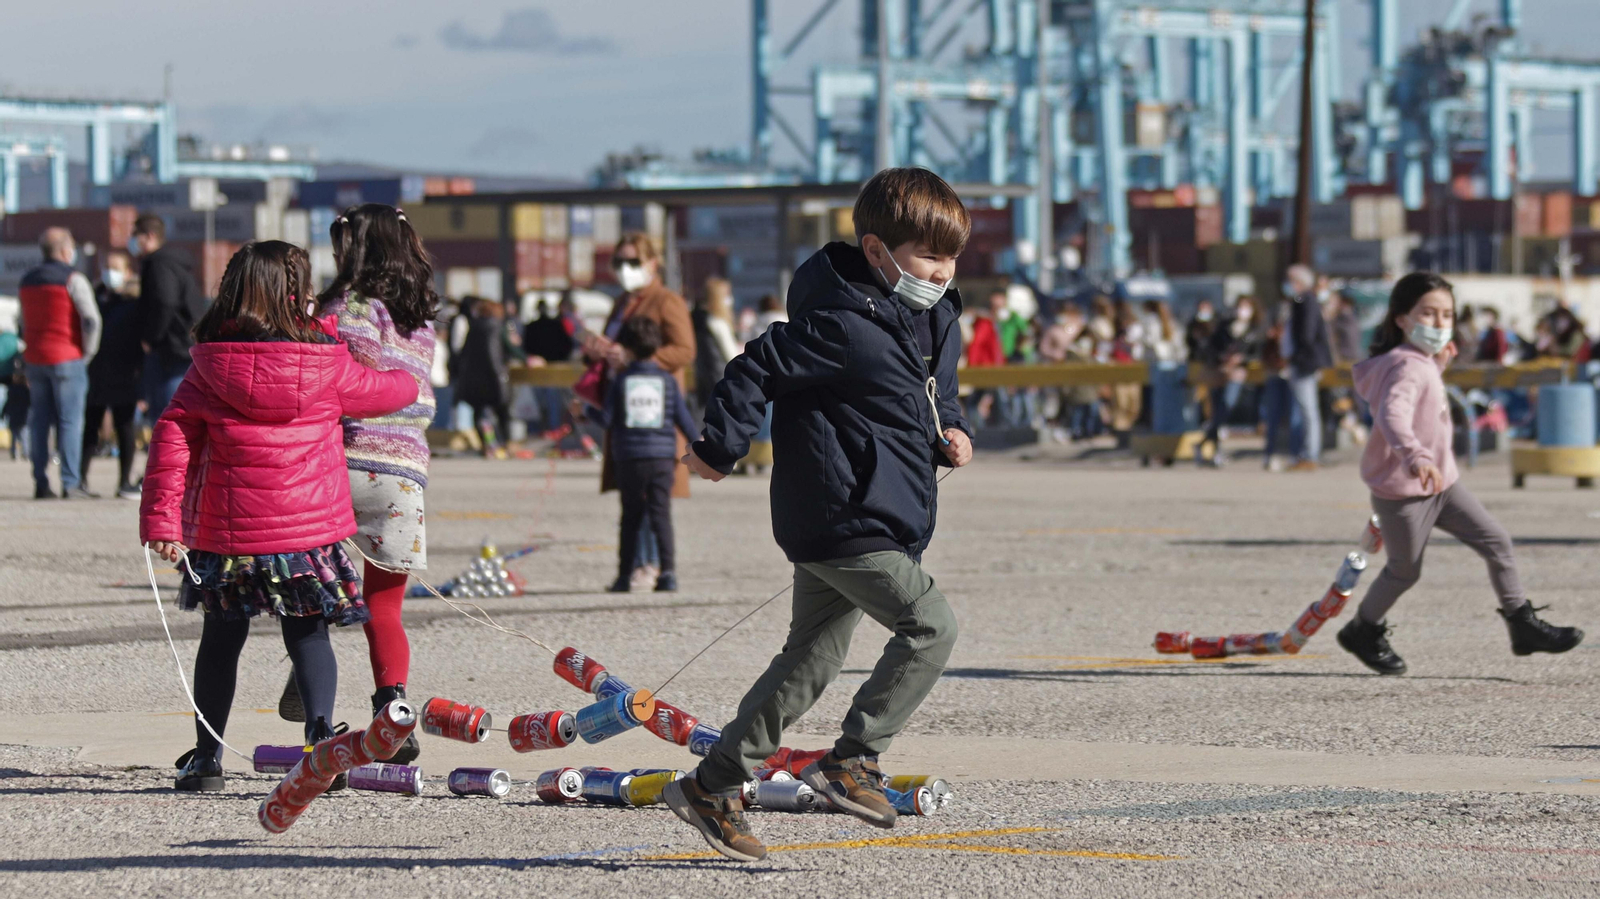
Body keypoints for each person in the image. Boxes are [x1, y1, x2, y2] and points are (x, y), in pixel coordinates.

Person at [665, 167, 972, 862]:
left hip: (887, 510)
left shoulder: (935, 317)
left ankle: (711, 787)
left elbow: (934, 396)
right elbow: (753, 369)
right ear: (875, 250)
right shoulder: (839, 323)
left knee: (810, 661)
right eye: (929, 256)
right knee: (930, 624)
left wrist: (952, 429)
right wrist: (719, 445)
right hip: (841, 513)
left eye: (952, 256)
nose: (943, 270)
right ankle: (852, 759)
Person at [140, 240, 418, 791]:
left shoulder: (208, 364)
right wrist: (412, 370)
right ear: (298, 292)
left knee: (221, 641)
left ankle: (207, 758)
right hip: (306, 531)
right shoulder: (327, 360)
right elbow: (391, 391)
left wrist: (162, 523)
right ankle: (320, 745)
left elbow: (170, 442)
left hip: (228, 532)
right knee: (309, 636)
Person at [1339, 272, 1583, 675]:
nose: (1438, 324)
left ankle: (1522, 625)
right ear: (1401, 318)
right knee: (1404, 571)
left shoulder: (1417, 363)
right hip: (1404, 492)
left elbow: (1417, 396)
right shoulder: (1405, 366)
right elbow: (1392, 415)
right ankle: (1361, 630)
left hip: (1443, 486)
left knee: (1497, 542)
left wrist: (1438, 365)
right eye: (1428, 314)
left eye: (1446, 315)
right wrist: (1415, 456)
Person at [293, 204, 439, 767]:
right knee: (385, 607)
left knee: (308, 596)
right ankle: (394, 714)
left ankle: (314, 703)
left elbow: (341, 381)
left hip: (342, 461)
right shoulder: (420, 317)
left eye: (338, 245)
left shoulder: (348, 306)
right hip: (404, 474)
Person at [584, 233, 696, 585]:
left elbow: (684, 350)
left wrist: (639, 358)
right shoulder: (621, 303)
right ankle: (637, 563)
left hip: (651, 408)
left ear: (652, 263)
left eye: (633, 262)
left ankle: (651, 565)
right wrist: (601, 350)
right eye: (619, 262)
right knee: (632, 496)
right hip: (625, 412)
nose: (624, 269)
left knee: (652, 500)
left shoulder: (666, 301)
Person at [18, 227, 100, 499]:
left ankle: (40, 482)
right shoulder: (73, 278)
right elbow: (91, 319)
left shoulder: (27, 280)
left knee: (39, 422)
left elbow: (22, 320)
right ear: (66, 251)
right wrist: (87, 352)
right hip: (67, 356)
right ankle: (70, 482)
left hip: (35, 358)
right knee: (70, 421)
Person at [83, 250, 143, 498]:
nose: (110, 272)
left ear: (128, 272)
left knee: (125, 426)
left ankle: (124, 481)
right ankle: (79, 479)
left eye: (116, 267)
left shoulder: (135, 302)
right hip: (96, 371)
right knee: (90, 425)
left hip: (126, 372)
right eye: (107, 266)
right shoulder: (96, 298)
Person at [133, 213, 205, 420]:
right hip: (183, 343)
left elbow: (165, 302)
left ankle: (167, 452)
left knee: (167, 411)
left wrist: (151, 337)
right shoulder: (174, 263)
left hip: (170, 347)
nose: (134, 241)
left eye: (137, 235)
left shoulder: (159, 264)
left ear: (150, 236)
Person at [1281, 265, 1333, 471]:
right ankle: (1307, 453)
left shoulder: (1306, 301)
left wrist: (1298, 357)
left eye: (1291, 280)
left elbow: (1307, 334)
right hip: (1301, 361)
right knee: (1306, 410)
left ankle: (1310, 455)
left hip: (1304, 362)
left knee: (1308, 410)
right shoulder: (1301, 301)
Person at [1200, 295, 1262, 467]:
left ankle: (1204, 441)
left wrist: (1242, 359)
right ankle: (1213, 450)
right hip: (1219, 372)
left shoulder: (1255, 329)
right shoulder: (1224, 326)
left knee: (1227, 406)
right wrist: (1221, 357)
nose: (1241, 310)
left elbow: (1257, 353)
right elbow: (1211, 347)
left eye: (1246, 306)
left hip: (1237, 374)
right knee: (1217, 409)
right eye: (1239, 306)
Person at [453, 297, 511, 455]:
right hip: (495, 376)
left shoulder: (473, 327)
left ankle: (487, 445)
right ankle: (504, 444)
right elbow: (509, 348)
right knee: (502, 411)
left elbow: (463, 352)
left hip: (474, 377)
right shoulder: (498, 327)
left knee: (478, 413)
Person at [523, 296, 577, 434]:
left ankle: (540, 429)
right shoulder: (555, 324)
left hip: (538, 368)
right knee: (552, 401)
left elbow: (526, 346)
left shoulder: (532, 326)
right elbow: (567, 345)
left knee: (541, 401)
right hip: (552, 367)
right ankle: (553, 428)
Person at [691, 277, 741, 410]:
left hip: (703, 383)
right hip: (723, 381)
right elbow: (733, 356)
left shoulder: (699, 321)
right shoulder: (718, 323)